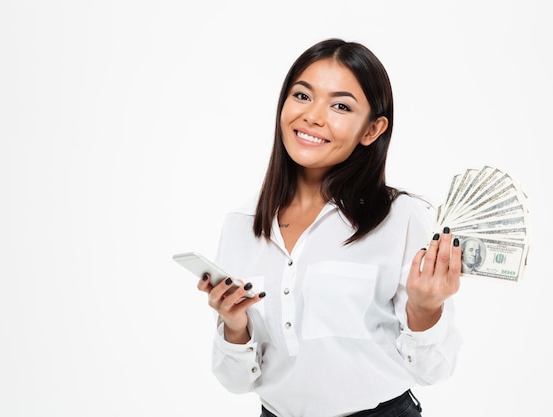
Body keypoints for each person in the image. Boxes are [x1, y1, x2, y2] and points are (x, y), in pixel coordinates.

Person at [196, 38, 463, 417]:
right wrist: (234, 326)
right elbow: (237, 382)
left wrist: (425, 308)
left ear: (371, 130)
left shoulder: (401, 216)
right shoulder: (241, 226)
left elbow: (434, 370)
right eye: (302, 96)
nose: (313, 116)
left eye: (340, 106)